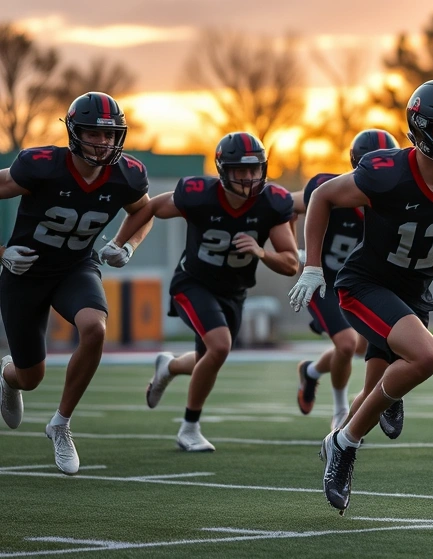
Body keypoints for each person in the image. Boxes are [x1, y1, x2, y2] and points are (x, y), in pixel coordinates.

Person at [289, 79, 433, 515]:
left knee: (374, 393)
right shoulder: (387, 172)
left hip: (415, 291)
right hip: (366, 284)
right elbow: (321, 197)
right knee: (426, 357)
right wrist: (313, 265)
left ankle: (342, 434)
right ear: (420, 129)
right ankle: (345, 444)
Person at [109, 131, 298, 452]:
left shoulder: (271, 202)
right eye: (241, 170)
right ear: (224, 170)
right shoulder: (199, 194)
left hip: (234, 291)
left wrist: (261, 252)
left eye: (254, 170)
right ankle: (189, 427)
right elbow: (151, 207)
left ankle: (168, 367)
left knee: (207, 357)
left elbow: (291, 263)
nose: (249, 178)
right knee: (220, 346)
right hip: (193, 283)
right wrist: (119, 243)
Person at [0, 92, 150, 475]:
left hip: (75, 268)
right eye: (94, 134)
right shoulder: (41, 165)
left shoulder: (127, 174)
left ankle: (61, 424)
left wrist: (127, 245)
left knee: (95, 328)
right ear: (74, 132)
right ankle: (8, 375)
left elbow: (143, 211)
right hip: (24, 272)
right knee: (31, 377)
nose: (103, 143)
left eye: (110, 135)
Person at [291, 129, 399, 432]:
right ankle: (339, 408)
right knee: (348, 343)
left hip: (360, 284)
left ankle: (311, 371)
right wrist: (295, 253)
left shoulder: (393, 202)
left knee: (362, 346)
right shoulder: (334, 191)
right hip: (323, 280)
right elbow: (284, 205)